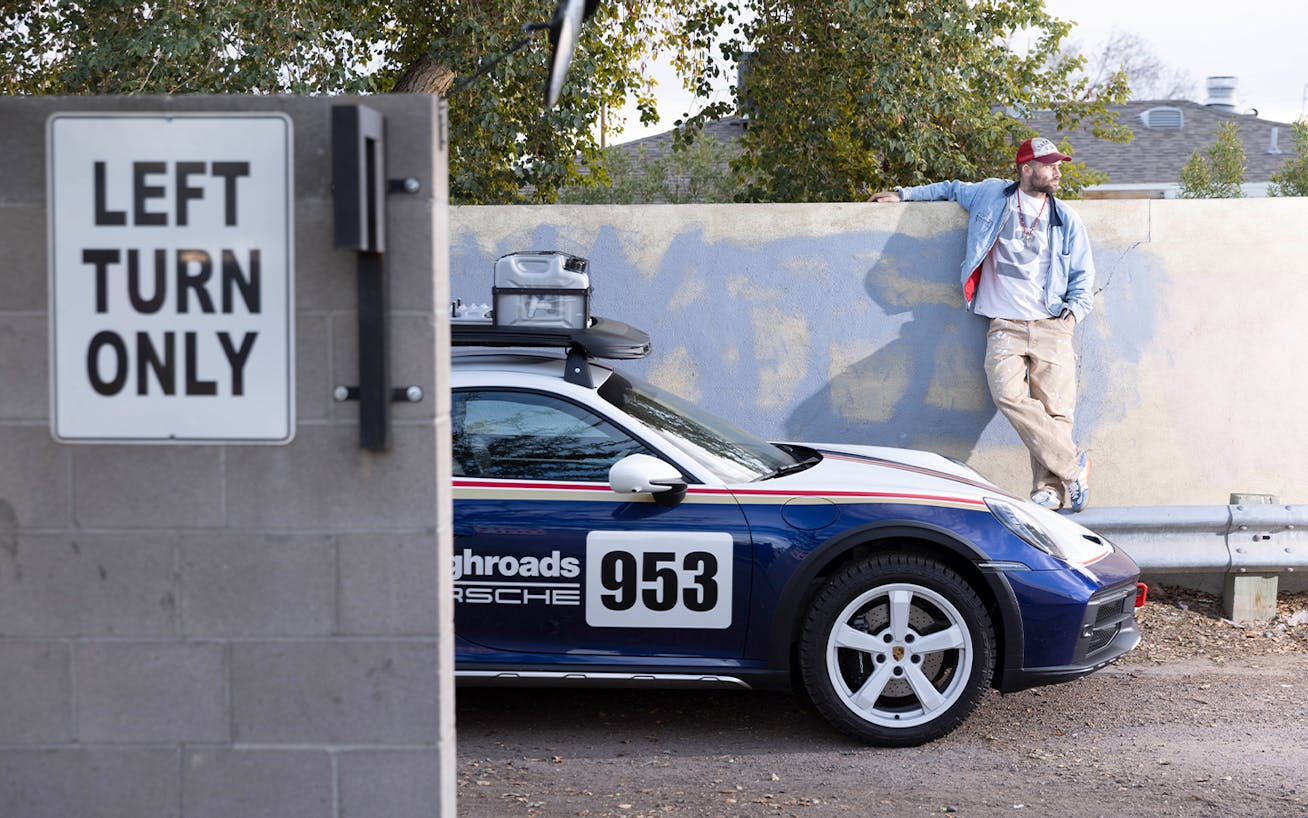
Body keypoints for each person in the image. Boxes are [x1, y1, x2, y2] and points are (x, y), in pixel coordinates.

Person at [869, 136, 1093, 511]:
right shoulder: (991, 196)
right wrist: (901, 194)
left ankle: (1050, 490)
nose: (1057, 171)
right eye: (1049, 164)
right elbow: (952, 189)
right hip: (1005, 324)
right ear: (1027, 169)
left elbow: (1084, 274)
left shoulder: (1066, 218)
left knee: (1055, 411)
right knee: (1008, 395)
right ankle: (1074, 467)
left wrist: (1073, 314)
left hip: (1052, 323)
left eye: (1059, 164)